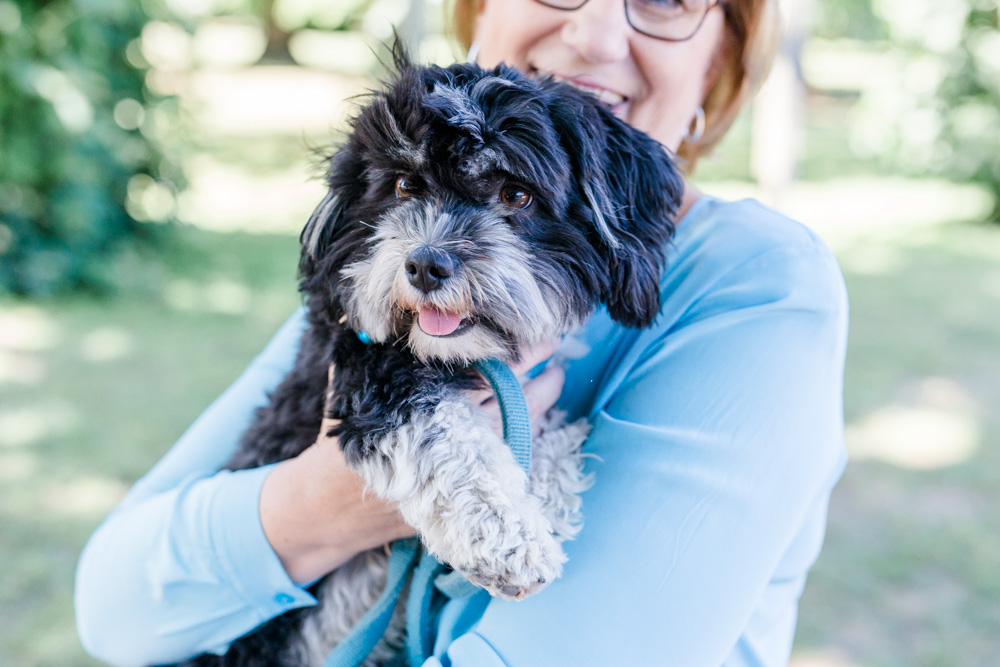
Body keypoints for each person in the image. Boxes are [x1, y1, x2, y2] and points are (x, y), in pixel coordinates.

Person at [75, 0, 849, 665]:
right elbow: (115, 604)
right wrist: (326, 502)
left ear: (724, 57)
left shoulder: (759, 291)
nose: (595, 34)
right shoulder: (385, 289)